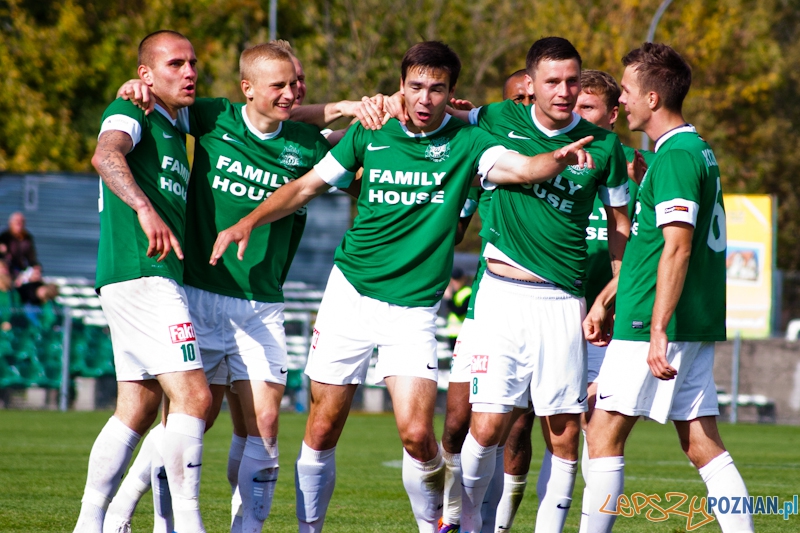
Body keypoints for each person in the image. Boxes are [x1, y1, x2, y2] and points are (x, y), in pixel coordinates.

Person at [210, 41, 594, 533]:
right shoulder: (371, 132)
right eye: (415, 86)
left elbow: (522, 168)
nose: (425, 98)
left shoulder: (470, 143)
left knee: (417, 435)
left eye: (437, 89)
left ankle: (432, 524)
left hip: (413, 308)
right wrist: (249, 221)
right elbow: (307, 185)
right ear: (402, 86)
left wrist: (556, 159)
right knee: (322, 427)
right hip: (349, 294)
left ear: (451, 93)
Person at [444, 37, 630, 533]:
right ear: (530, 84)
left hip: (562, 302)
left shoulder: (607, 146)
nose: (564, 90)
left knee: (565, 434)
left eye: (573, 80)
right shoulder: (500, 119)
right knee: (485, 429)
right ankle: (469, 525)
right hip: (500, 298)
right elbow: (442, 114)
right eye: (553, 81)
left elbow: (620, 228)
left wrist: (611, 295)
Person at [584, 43, 754, 533]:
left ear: (654, 98)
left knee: (602, 434)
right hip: (685, 318)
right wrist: (606, 298)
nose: (622, 102)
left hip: (654, 323)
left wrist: (655, 327)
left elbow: (677, 249)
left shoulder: (678, 157)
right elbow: (652, 249)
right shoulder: (687, 151)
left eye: (629, 91)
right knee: (701, 443)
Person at [73, 30, 212, 533]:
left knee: (137, 406)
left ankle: (93, 524)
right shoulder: (135, 110)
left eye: (193, 62)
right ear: (146, 75)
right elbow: (106, 154)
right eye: (176, 63)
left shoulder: (177, 122)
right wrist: (144, 208)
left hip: (137, 275)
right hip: (142, 269)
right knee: (194, 399)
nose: (190, 71)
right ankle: (185, 525)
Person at [439, 69, 535, 533]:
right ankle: (450, 516)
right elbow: (451, 228)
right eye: (516, 99)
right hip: (484, 308)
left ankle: (497, 525)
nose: (525, 104)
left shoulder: (574, 167)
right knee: (458, 422)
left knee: (514, 428)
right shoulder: (485, 161)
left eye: (530, 97)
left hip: (543, 309)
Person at [573, 69, 652, 533]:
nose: (576, 114)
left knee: (591, 428)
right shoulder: (554, 156)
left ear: (613, 113)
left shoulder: (634, 168)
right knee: (540, 429)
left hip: (609, 324)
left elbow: (642, 247)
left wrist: (608, 302)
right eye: (573, 105)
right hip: (557, 308)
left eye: (588, 107)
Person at [0, 212, 40, 282]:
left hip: (20, 269)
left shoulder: (27, 238)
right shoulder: (4, 237)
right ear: (11, 223)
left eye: (21, 222)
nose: (19, 224)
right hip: (7, 268)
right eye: (17, 222)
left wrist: (36, 268)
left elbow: (32, 258)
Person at [443, 267, 472, 349]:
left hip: (462, 334)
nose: (455, 283)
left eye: (457, 280)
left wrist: (449, 299)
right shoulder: (456, 293)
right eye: (453, 280)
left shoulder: (468, 292)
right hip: (452, 333)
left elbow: (459, 311)